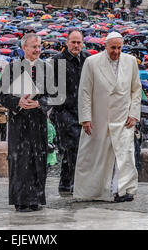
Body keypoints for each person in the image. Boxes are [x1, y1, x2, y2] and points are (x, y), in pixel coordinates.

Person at [74, 32, 142, 202]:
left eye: (119, 48)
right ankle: (92, 190)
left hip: (124, 118)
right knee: (94, 157)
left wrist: (134, 113)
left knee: (124, 157)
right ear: (105, 46)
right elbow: (85, 92)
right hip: (99, 118)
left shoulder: (131, 61)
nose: (116, 52)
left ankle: (123, 190)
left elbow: (136, 89)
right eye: (113, 48)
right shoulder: (92, 62)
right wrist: (85, 118)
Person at [0, 33, 52, 212]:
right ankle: (20, 200)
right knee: (20, 160)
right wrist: (17, 102)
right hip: (19, 121)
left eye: (39, 46)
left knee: (38, 158)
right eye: (33, 47)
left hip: (38, 120)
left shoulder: (47, 68)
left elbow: (55, 95)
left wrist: (40, 103)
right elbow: (0, 94)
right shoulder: (12, 68)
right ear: (24, 48)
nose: (37, 50)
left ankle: (35, 198)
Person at [50, 30, 89, 195]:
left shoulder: (87, 59)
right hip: (64, 110)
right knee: (73, 146)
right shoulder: (57, 61)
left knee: (72, 148)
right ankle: (75, 182)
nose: (76, 46)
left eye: (79, 42)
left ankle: (65, 183)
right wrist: (60, 106)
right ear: (66, 43)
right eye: (73, 42)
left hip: (82, 110)